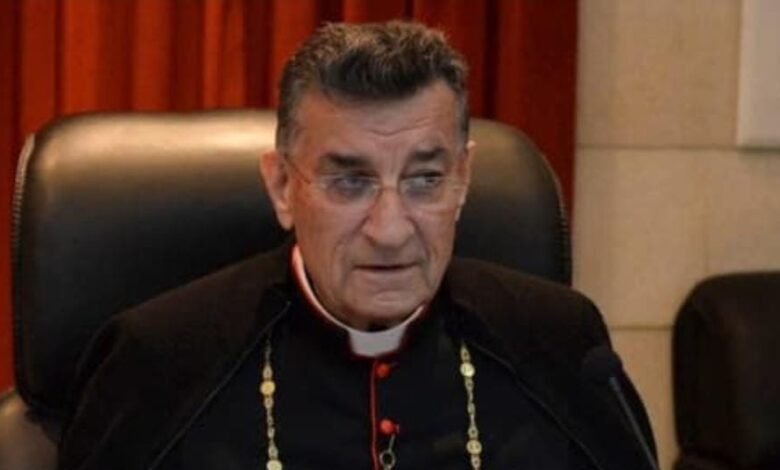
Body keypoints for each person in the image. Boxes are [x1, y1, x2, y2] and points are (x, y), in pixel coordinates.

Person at [59, 21, 656, 470]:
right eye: (350, 182)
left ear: (463, 180)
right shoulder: (159, 362)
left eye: (425, 179)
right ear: (282, 186)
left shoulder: (560, 344)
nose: (390, 230)